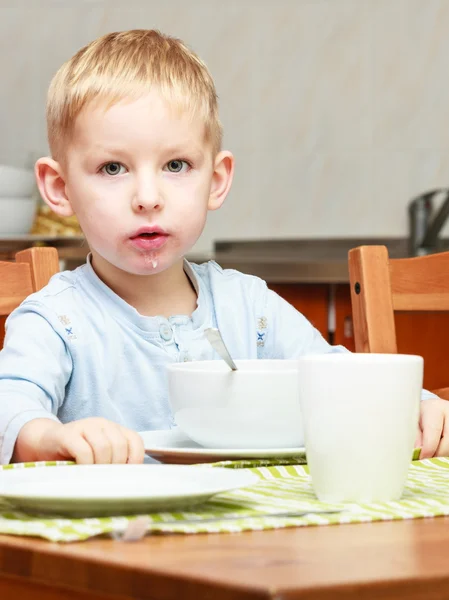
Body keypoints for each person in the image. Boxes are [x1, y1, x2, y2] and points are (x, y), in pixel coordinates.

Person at [0, 30, 446, 465]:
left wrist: (419, 406)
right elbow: (11, 408)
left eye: (176, 165)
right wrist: (50, 437)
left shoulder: (249, 308)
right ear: (59, 189)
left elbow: (335, 377)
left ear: (215, 181)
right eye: (112, 167)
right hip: (111, 535)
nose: (148, 196)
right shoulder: (55, 321)